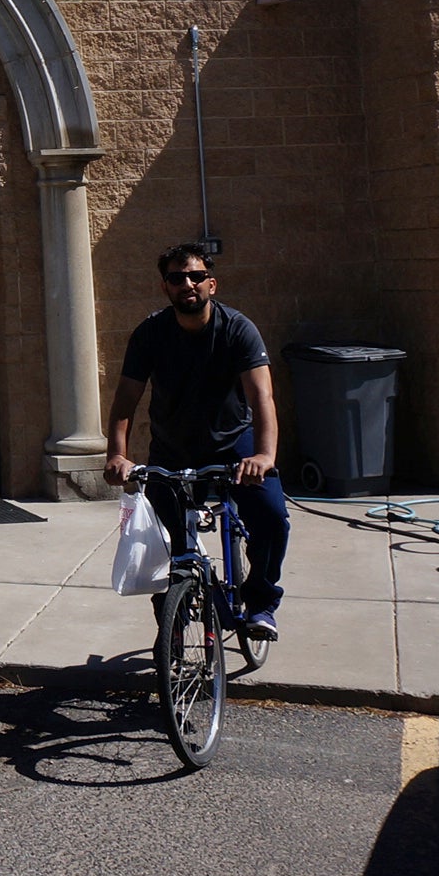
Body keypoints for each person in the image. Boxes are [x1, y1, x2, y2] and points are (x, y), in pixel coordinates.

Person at [103, 244, 290, 640]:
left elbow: (262, 398)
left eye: (195, 276)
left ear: (211, 283)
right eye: (176, 278)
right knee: (163, 541)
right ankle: (171, 622)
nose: (187, 284)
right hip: (172, 449)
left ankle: (260, 602)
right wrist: (117, 455)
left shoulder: (237, 328)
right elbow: (124, 401)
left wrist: (264, 454)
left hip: (232, 445)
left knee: (271, 516)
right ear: (165, 287)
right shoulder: (150, 334)